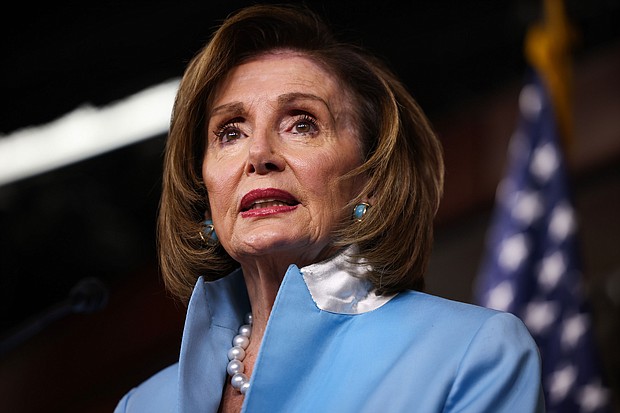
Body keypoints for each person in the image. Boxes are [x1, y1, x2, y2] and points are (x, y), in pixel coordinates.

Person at [115, 3, 545, 412]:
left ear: (371, 181)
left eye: (302, 124)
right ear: (204, 191)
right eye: (230, 132)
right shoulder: (142, 405)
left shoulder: (470, 355)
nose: (259, 154)